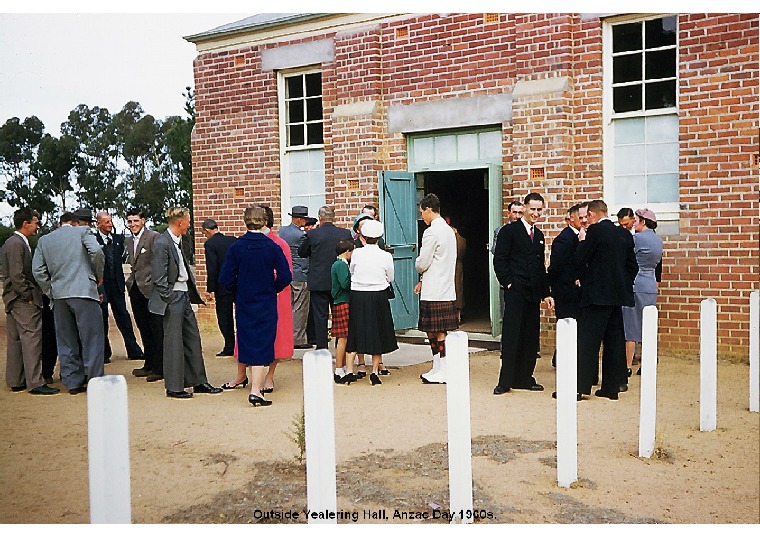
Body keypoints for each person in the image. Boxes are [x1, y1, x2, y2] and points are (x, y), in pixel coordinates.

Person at [218, 206, 292, 406]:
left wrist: (237, 291)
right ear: (265, 221)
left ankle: (252, 385)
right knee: (263, 341)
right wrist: (272, 288)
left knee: (246, 339)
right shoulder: (273, 247)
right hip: (266, 300)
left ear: (245, 221)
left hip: (244, 300)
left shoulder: (236, 247)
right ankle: (256, 390)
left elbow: (225, 279)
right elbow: (286, 276)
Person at [148, 207, 222, 399]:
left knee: (192, 338)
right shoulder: (162, 243)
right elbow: (158, 276)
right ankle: (174, 387)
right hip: (173, 297)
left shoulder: (177, 241)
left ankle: (199, 381)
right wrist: (170, 297)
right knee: (173, 343)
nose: (190, 224)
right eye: (188, 221)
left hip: (183, 296)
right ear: (180, 222)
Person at [32, 208, 105, 395]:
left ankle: (72, 382)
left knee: (65, 340)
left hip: (59, 294)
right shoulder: (83, 231)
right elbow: (96, 251)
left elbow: (38, 271)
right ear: (75, 223)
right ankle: (94, 380)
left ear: (59, 223)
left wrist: (50, 290)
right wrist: (98, 275)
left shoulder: (44, 240)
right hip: (83, 291)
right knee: (92, 339)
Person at [574, 199, 638, 400]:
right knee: (614, 342)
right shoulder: (623, 234)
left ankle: (580, 387)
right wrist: (621, 285)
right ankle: (611, 388)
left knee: (587, 342)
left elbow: (580, 259)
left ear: (593, 215)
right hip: (616, 298)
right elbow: (632, 267)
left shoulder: (595, 232)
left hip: (596, 296)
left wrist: (582, 243)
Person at [492, 192, 554, 395]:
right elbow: (499, 260)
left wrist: (545, 293)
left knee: (530, 337)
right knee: (512, 336)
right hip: (516, 291)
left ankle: (525, 377)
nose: (535, 213)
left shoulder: (539, 236)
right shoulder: (509, 232)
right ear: (525, 208)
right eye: (532, 209)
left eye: (539, 210)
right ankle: (506, 380)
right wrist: (509, 283)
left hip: (533, 294)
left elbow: (540, 267)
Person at [2, 208, 59, 395]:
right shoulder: (17, 244)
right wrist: (27, 296)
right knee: (32, 339)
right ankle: (35, 382)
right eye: (35, 222)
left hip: (13, 299)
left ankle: (16, 380)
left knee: (16, 340)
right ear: (25, 223)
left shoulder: (13, 243)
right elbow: (17, 275)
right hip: (21, 300)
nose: (37, 226)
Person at [346, 219, 397, 385]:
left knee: (356, 330)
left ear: (363, 237)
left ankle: (350, 369)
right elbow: (390, 277)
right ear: (379, 237)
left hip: (358, 294)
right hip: (378, 294)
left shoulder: (357, 253)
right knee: (377, 330)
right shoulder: (386, 256)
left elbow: (352, 271)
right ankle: (374, 370)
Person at [415, 193, 458, 385]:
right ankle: (439, 366)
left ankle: (443, 369)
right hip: (446, 287)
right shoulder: (449, 230)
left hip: (434, 289)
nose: (422, 216)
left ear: (429, 210)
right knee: (435, 331)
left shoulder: (431, 231)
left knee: (437, 331)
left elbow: (423, 262)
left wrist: (418, 266)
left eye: (422, 212)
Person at [297, 206, 352, 350]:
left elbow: (302, 252)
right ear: (333, 218)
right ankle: (342, 347)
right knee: (340, 316)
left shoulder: (313, 234)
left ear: (320, 218)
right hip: (339, 281)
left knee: (320, 317)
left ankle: (322, 348)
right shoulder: (345, 233)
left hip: (319, 280)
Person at [95, 210, 144, 364]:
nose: (110, 224)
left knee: (123, 316)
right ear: (99, 224)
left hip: (116, 284)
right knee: (102, 319)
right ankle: (104, 353)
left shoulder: (118, 239)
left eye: (111, 221)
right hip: (101, 285)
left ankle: (133, 350)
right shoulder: (93, 240)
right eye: (107, 222)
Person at [124, 208, 164, 382]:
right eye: (130, 221)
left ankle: (159, 367)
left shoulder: (154, 237)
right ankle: (148, 364)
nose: (133, 224)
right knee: (143, 328)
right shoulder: (129, 241)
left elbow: (159, 261)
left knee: (156, 328)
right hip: (136, 289)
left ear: (143, 221)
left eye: (136, 221)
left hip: (151, 289)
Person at [622, 208, 663, 377]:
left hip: (635, 283)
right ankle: (648, 363)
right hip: (650, 284)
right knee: (648, 326)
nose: (634, 223)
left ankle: (627, 366)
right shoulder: (658, 240)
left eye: (636, 220)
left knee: (631, 327)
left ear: (643, 221)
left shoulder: (636, 239)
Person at [547, 204, 583, 367]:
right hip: (565, 290)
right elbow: (556, 266)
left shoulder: (580, 236)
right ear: (571, 219)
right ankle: (561, 360)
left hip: (574, 290)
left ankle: (561, 358)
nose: (583, 221)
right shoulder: (565, 238)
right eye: (580, 218)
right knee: (566, 324)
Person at [201, 218, 237, 356]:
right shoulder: (232, 240)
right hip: (237, 282)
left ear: (207, 230)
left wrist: (210, 289)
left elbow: (212, 267)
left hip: (222, 285)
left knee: (224, 316)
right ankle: (240, 345)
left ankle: (229, 346)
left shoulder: (210, 244)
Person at [279, 205, 312, 349]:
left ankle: (286, 336)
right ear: (298, 219)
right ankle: (298, 338)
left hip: (287, 273)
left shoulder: (283, 231)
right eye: (304, 219)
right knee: (300, 308)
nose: (305, 221)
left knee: (289, 307)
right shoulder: (301, 235)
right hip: (300, 274)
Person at [491, 200, 525, 326]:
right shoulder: (501, 231)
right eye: (514, 212)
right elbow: (497, 252)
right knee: (508, 318)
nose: (517, 216)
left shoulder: (528, 231)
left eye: (520, 213)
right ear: (508, 213)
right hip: (508, 282)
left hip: (523, 282)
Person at [331, 239, 356, 384]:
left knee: (343, 337)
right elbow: (345, 283)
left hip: (341, 302)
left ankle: (341, 368)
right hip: (342, 302)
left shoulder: (338, 264)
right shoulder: (341, 265)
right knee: (343, 338)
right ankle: (339, 368)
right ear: (347, 252)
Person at [451, 220, 467, 324]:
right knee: (458, 290)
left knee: (455, 291)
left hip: (452, 266)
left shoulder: (454, 239)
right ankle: (458, 316)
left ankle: (455, 317)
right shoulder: (462, 240)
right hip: (458, 266)